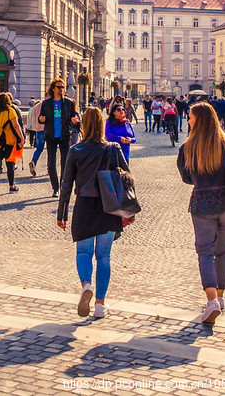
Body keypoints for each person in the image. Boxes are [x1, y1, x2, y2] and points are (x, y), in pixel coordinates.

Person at [57, 107, 129, 319]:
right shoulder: (113, 149)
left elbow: (66, 184)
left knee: (83, 253)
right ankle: (100, 304)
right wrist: (127, 209)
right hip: (108, 208)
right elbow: (127, 177)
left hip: (85, 206)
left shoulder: (76, 150)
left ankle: (86, 285)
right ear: (102, 124)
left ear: (84, 125)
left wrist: (62, 213)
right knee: (104, 256)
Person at [177, 101, 225, 325]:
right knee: (223, 251)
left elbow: (186, 178)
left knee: (205, 252)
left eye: (190, 117)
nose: (188, 120)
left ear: (198, 121)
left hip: (203, 202)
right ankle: (221, 297)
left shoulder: (188, 147)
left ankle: (211, 300)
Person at [39, 79, 80, 197]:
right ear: (53, 89)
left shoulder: (68, 103)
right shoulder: (46, 103)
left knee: (65, 162)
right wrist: (41, 120)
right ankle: (55, 188)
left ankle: (63, 186)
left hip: (64, 135)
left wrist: (74, 121)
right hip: (51, 135)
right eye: (59, 87)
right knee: (51, 163)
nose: (61, 89)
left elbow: (74, 119)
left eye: (63, 87)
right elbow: (41, 119)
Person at [0, 91, 24, 197]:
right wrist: (21, 138)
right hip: (8, 141)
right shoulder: (10, 111)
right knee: (9, 164)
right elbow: (16, 126)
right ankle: (11, 186)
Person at [28, 99, 44, 174]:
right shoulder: (47, 105)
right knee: (51, 150)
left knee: (39, 149)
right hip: (47, 129)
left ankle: (33, 161)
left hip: (38, 130)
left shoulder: (35, 107)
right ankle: (49, 167)